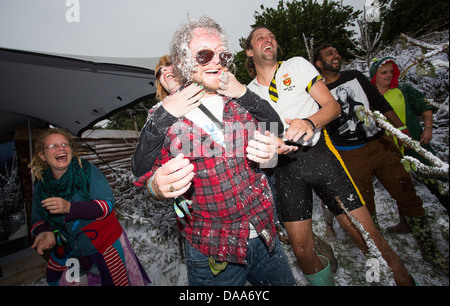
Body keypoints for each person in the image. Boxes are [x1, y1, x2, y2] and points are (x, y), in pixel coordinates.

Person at [133, 16, 297, 286]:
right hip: (213, 249)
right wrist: (156, 186)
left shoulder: (239, 101)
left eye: (223, 54)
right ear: (183, 60)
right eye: (204, 55)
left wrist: (270, 153)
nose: (216, 61)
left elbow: (276, 129)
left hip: (264, 236)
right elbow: (141, 175)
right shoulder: (164, 117)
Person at [244, 27, 415, 286]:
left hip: (319, 156)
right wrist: (268, 153)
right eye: (261, 38)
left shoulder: (296, 66)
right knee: (302, 250)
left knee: (364, 236)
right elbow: (262, 143)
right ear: (249, 51)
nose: (269, 40)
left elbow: (333, 107)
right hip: (285, 170)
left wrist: (309, 123)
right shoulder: (249, 93)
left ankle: (403, 281)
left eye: (272, 37)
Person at [313, 44, 448, 276]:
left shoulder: (355, 77)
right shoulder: (316, 91)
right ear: (318, 64)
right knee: (365, 206)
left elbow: (379, 102)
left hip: (381, 144)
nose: (336, 56)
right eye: (329, 54)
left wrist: (401, 129)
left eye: (337, 52)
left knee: (407, 194)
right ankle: (381, 256)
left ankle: (431, 251)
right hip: (350, 155)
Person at [29, 128, 151, 286]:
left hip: (105, 247)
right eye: (53, 146)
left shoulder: (86, 171)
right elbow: (37, 219)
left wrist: (70, 208)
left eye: (65, 144)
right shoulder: (42, 186)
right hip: (70, 252)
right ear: (42, 155)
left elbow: (106, 205)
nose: (61, 148)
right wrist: (45, 232)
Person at [370, 57, 449, 212]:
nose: (388, 76)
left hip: (415, 144)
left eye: (391, 72)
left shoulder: (403, 90)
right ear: (374, 75)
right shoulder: (369, 97)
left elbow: (424, 106)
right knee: (402, 187)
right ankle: (407, 222)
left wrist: (428, 128)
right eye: (383, 72)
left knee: (436, 179)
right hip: (389, 150)